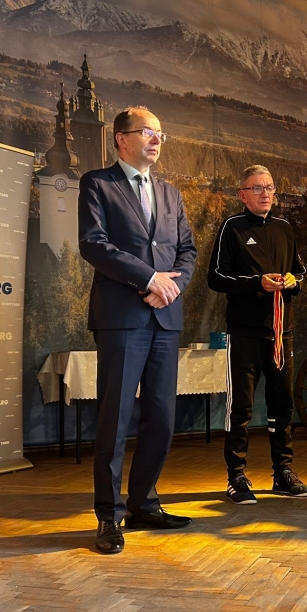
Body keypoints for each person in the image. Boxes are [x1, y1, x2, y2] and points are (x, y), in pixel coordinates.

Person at [78, 105, 197, 554]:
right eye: (147, 131)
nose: (156, 139)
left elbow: (187, 251)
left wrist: (170, 287)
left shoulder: (170, 193)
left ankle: (144, 503)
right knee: (114, 419)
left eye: (160, 133)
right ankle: (109, 515)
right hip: (122, 317)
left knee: (161, 418)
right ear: (121, 138)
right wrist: (148, 279)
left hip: (164, 317)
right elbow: (94, 244)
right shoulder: (98, 184)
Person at [207, 165, 307, 504]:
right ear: (243, 195)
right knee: (241, 407)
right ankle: (236, 476)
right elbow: (216, 277)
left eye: (269, 188)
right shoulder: (232, 227)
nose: (265, 194)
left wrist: (293, 281)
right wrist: (256, 283)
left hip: (281, 333)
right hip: (245, 334)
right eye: (257, 188)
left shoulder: (284, 228)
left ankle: (283, 473)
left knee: (283, 405)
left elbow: (300, 272)